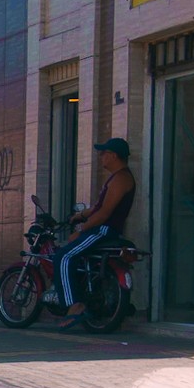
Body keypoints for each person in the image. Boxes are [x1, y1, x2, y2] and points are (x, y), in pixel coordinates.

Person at [53, 137, 136, 326]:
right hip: (101, 227)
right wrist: (80, 215)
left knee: (63, 257)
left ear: (113, 156)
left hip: (104, 230)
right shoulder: (115, 178)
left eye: (103, 153)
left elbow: (105, 213)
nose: (101, 157)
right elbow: (98, 208)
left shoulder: (122, 178)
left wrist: (81, 229)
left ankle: (74, 305)